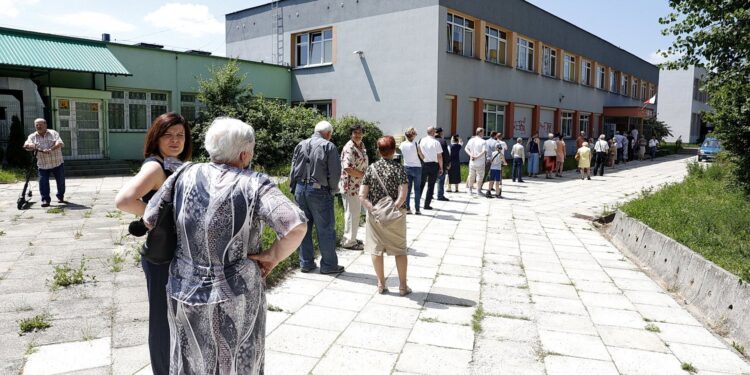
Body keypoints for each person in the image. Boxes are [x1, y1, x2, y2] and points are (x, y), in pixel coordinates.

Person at [143, 117, 307, 374]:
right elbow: (296, 226)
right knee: (234, 360)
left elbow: (149, 218)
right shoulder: (255, 183)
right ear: (244, 153)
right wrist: (273, 255)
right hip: (236, 291)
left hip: (183, 286)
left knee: (189, 357)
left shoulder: (183, 173)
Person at [115, 112, 193, 375]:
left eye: (180, 135)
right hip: (161, 258)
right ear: (156, 138)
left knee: (174, 317)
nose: (175, 140)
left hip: (174, 254)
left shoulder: (175, 163)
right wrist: (154, 216)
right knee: (161, 320)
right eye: (168, 135)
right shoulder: (156, 166)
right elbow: (124, 200)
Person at [289, 120, 345, 274]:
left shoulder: (300, 144)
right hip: (320, 191)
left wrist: (293, 187)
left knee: (303, 228)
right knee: (325, 229)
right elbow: (334, 173)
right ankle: (328, 265)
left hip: (300, 189)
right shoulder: (329, 146)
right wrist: (333, 190)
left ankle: (306, 263)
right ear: (328, 134)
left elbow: (293, 168)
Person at [359, 135, 411, 296]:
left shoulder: (371, 168)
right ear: (394, 150)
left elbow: (362, 195)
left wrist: (375, 210)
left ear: (378, 150)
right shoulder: (399, 169)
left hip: (375, 216)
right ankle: (403, 286)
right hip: (395, 216)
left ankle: (381, 284)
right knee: (400, 250)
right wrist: (391, 210)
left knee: (376, 250)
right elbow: (402, 195)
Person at [23, 118, 65, 207]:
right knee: (43, 182)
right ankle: (45, 200)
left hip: (56, 162)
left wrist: (50, 149)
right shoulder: (32, 136)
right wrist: (30, 145)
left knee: (60, 182)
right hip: (42, 164)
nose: (38, 126)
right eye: (36, 125)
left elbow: (60, 143)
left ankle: (60, 196)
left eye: (40, 124)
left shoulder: (53, 133)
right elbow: (26, 145)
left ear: (45, 125)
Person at [338, 124, 368, 250]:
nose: (358, 135)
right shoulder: (349, 147)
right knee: (352, 213)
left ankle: (351, 237)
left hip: (358, 185)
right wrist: (364, 175)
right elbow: (348, 168)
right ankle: (349, 242)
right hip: (350, 185)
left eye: (360, 132)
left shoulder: (361, 145)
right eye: (355, 133)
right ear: (351, 134)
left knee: (354, 212)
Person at [418, 126, 443, 210]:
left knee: (421, 184)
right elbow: (439, 156)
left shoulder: (422, 140)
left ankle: (417, 203)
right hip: (433, 165)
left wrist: (423, 158)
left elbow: (419, 151)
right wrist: (441, 167)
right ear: (433, 132)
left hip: (424, 164)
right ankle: (426, 205)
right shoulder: (436, 142)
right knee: (431, 185)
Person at [399, 127, 423, 214]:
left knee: (408, 190)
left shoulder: (401, 145)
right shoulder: (416, 144)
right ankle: (417, 209)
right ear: (412, 136)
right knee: (417, 189)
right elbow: (422, 156)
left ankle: (408, 208)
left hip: (407, 167)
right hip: (417, 167)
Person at [465, 127, 487, 196]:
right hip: (480, 161)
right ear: (480, 133)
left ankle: (470, 190)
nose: (484, 133)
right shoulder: (483, 141)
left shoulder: (471, 140)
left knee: (471, 176)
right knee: (480, 176)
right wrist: (477, 157)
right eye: (483, 132)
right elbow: (484, 151)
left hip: (472, 161)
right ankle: (478, 191)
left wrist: (471, 155)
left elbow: (466, 148)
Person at [435, 127, 450, 202]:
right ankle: (440, 195)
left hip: (429, 163)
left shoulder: (430, 140)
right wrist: (447, 163)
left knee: (431, 181)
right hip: (441, 163)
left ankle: (430, 195)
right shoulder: (442, 141)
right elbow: (446, 154)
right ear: (441, 133)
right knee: (441, 180)